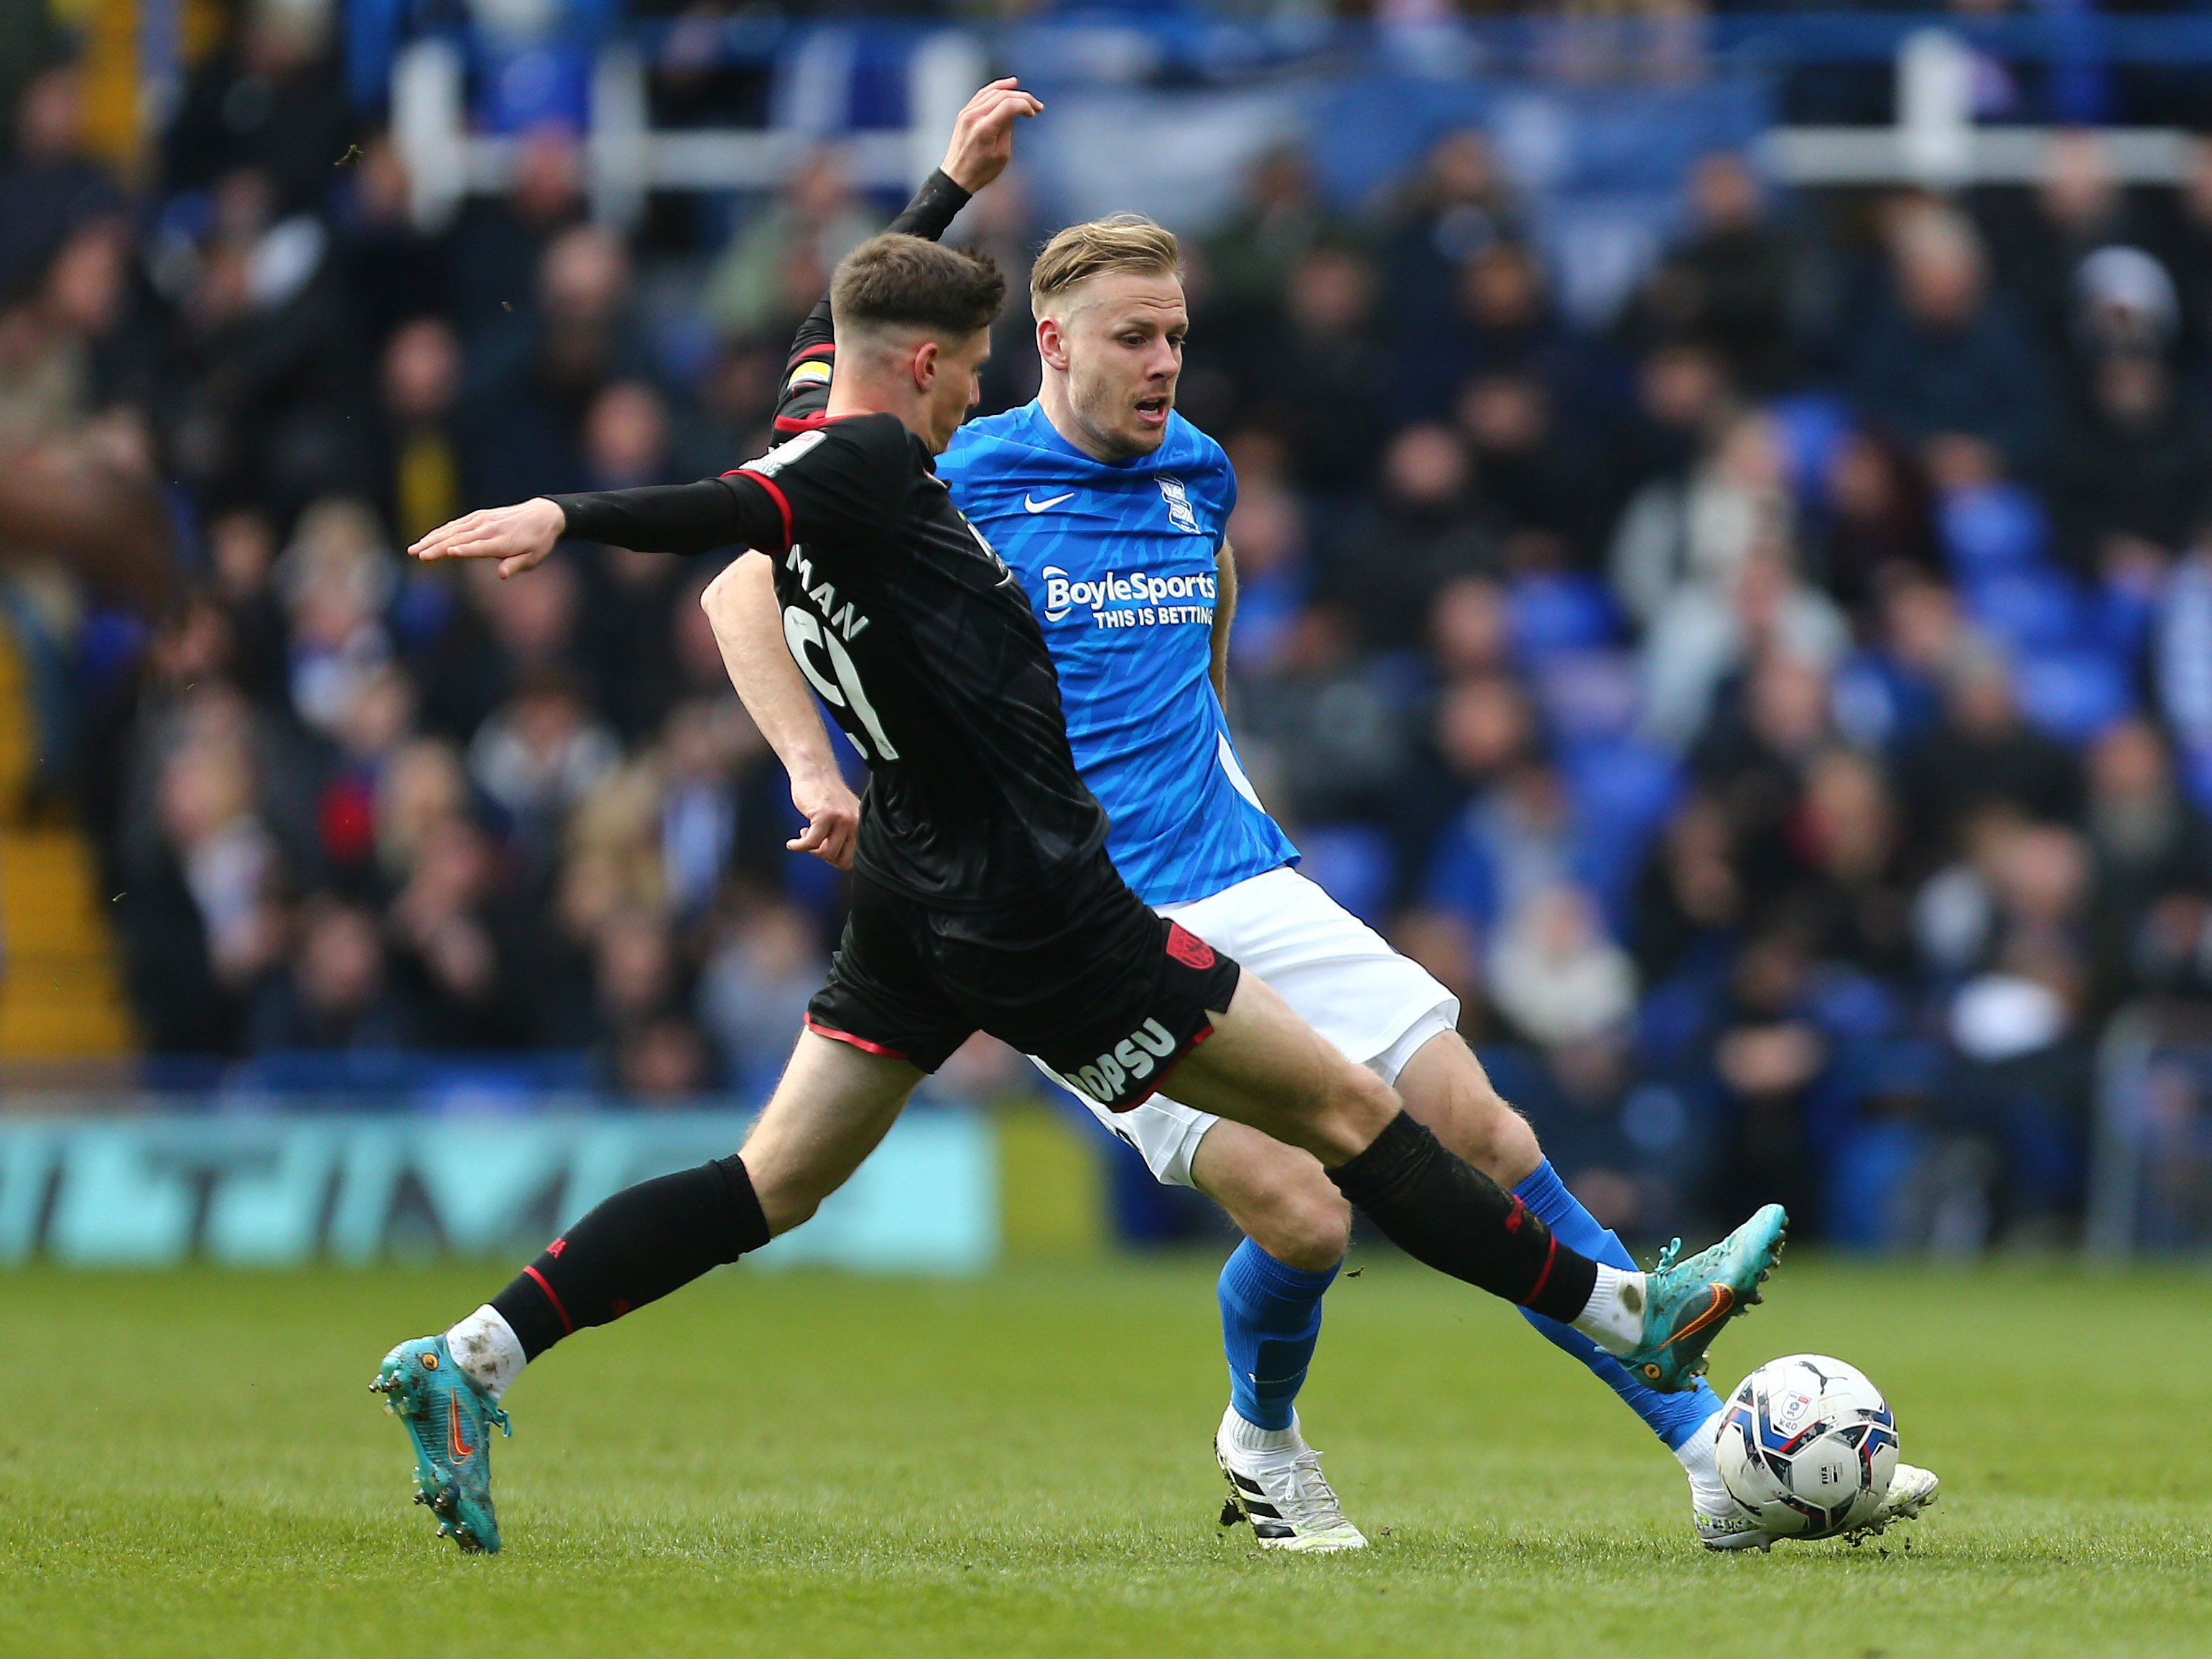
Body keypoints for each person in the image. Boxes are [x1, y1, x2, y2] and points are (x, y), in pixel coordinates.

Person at [373, 80, 1788, 1558]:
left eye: (1179, 333)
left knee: (770, 1181)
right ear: (1006, 354)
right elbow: (730, 554)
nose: (1158, 361)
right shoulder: (923, 475)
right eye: (1120, 337)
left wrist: (942, 184)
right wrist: (757, 715)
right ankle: (1625, 1314)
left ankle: (474, 1355)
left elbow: (828, 354)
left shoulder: (1042, 451)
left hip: (962, 887)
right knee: (1331, 1164)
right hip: (1053, 910)